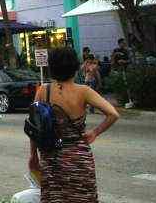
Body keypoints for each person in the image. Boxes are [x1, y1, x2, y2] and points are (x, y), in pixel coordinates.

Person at [28, 47, 119, 203]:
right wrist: (95, 132)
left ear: (52, 68)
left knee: (55, 198)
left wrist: (33, 155)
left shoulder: (43, 90)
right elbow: (113, 114)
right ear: (75, 67)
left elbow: (35, 128)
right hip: (79, 158)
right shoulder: (84, 91)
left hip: (52, 159)